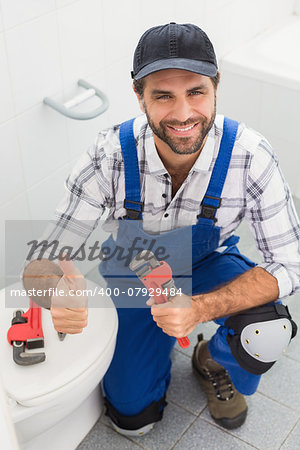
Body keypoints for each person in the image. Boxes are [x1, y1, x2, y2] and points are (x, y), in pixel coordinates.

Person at [23, 23, 300, 436]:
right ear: (139, 97)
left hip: (207, 264)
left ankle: (210, 358)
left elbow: (290, 266)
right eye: (164, 96)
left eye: (196, 92)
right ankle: (155, 350)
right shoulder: (109, 156)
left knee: (267, 331)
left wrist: (201, 308)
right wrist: (53, 293)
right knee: (133, 421)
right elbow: (40, 264)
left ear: (216, 87)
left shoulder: (250, 157)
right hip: (132, 274)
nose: (183, 113)